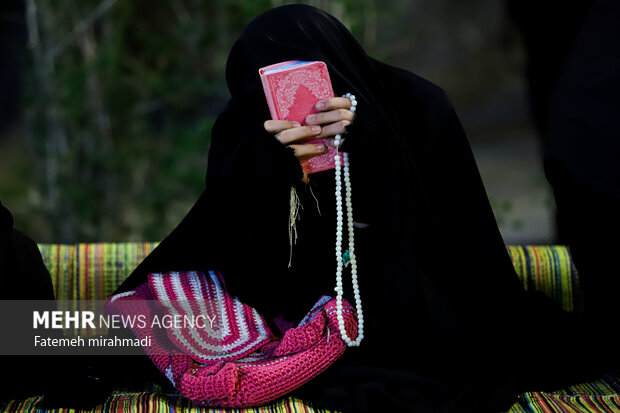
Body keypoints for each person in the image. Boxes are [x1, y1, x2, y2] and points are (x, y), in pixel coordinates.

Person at [113, 5, 606, 412]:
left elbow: (455, 242)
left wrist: (372, 150)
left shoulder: (416, 105)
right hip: (292, 302)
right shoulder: (244, 126)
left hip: (422, 301)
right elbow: (245, 269)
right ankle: (33, 335)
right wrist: (272, 174)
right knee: (85, 333)